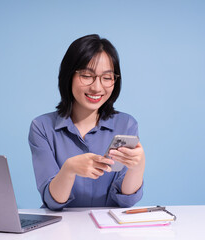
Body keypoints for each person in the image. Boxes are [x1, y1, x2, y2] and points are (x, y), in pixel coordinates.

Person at [28, 34, 145, 211]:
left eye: (107, 78)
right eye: (86, 75)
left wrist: (138, 167)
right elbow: (52, 201)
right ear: (69, 76)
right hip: (61, 229)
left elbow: (125, 201)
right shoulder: (42, 127)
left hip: (110, 229)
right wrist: (69, 169)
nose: (97, 87)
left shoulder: (126, 124)